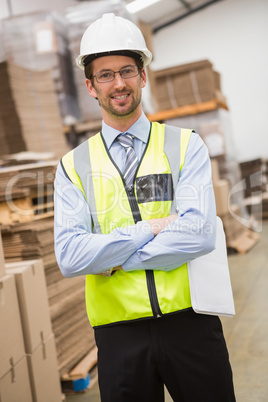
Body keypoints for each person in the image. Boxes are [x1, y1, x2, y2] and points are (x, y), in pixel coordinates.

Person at [54, 13, 236, 402]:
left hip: (192, 325)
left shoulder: (186, 145)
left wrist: (113, 258)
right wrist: (147, 230)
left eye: (127, 71)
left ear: (143, 76)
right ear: (90, 85)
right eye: (105, 75)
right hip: (119, 338)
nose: (118, 83)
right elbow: (70, 257)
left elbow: (199, 235)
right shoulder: (73, 167)